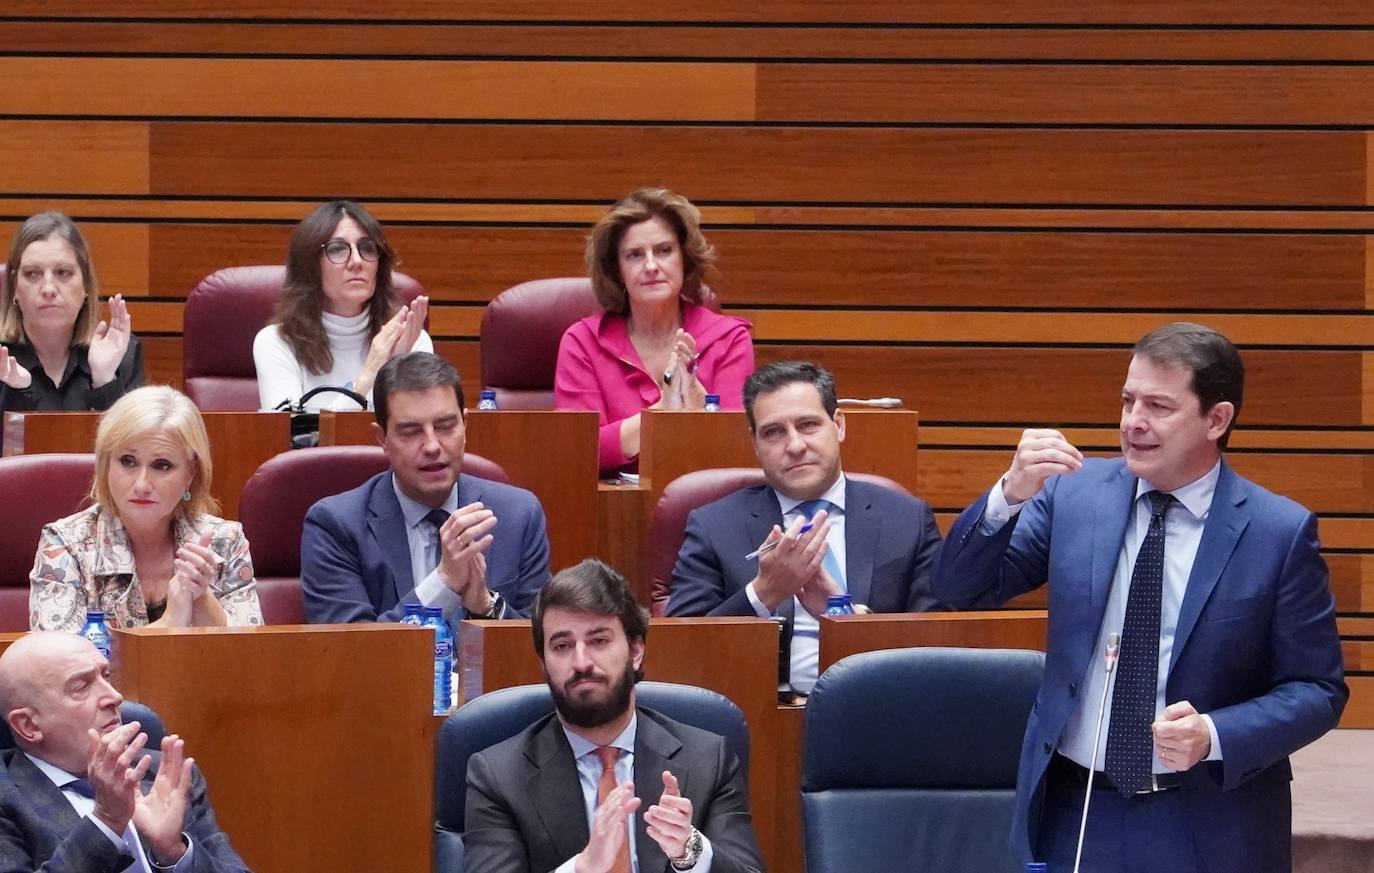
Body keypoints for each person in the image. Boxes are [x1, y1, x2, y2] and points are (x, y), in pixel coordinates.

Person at [932, 323, 1347, 873]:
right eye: (1128, 400)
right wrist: (1008, 495)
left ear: (1215, 420)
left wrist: (1216, 734)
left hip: (1205, 817)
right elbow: (961, 589)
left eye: (1158, 405)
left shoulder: (1278, 532)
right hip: (1075, 809)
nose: (1134, 422)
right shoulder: (1073, 495)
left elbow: (1318, 689)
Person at [464, 558, 765, 873]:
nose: (581, 662)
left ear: (636, 651)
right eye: (562, 645)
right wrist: (582, 868)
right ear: (544, 664)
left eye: (599, 641)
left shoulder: (707, 759)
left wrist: (690, 852)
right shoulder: (497, 776)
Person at [666, 361, 945, 696]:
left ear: (838, 425)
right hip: (760, 713)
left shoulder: (906, 519)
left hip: (879, 708)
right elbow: (679, 649)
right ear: (755, 444)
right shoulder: (713, 524)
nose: (795, 445)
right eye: (773, 432)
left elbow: (937, 646)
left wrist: (850, 623)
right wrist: (764, 592)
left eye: (808, 425)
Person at [301, 351, 550, 625]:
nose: (432, 446)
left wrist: (485, 606)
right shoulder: (335, 526)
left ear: (465, 427)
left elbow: (540, 651)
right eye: (411, 431)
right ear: (382, 438)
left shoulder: (518, 515)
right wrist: (443, 583)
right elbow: (350, 655)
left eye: (445, 426)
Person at [0, 631, 251, 872]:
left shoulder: (163, 775)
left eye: (106, 676)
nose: (115, 696)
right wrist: (106, 823)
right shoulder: (7, 797)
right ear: (29, 725)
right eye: (81, 686)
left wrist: (174, 852)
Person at [555, 188, 755, 477]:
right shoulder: (583, 342)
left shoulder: (729, 338)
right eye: (635, 255)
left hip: (708, 503)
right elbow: (576, 450)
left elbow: (739, 450)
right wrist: (665, 410)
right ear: (616, 269)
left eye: (664, 250)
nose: (651, 266)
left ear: (684, 258)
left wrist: (701, 413)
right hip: (608, 507)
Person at [29, 385, 263, 631]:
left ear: (190, 473)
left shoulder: (225, 541)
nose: (141, 485)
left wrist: (201, 598)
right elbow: (61, 664)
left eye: (161, 465)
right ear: (106, 464)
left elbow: (250, 657)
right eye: (128, 462)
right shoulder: (66, 544)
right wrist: (170, 622)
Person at [253, 199, 432, 412]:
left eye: (367, 248)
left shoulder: (413, 340)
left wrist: (397, 368)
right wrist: (370, 373)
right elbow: (287, 437)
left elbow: (418, 434)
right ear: (311, 266)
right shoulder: (277, 342)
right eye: (337, 249)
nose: (357, 261)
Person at [0, 212, 144, 450]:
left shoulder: (123, 355)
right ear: (15, 288)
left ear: (85, 285)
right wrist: (19, 395)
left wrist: (105, 382)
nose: (48, 288)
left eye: (63, 273)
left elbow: (137, 457)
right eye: (32, 274)